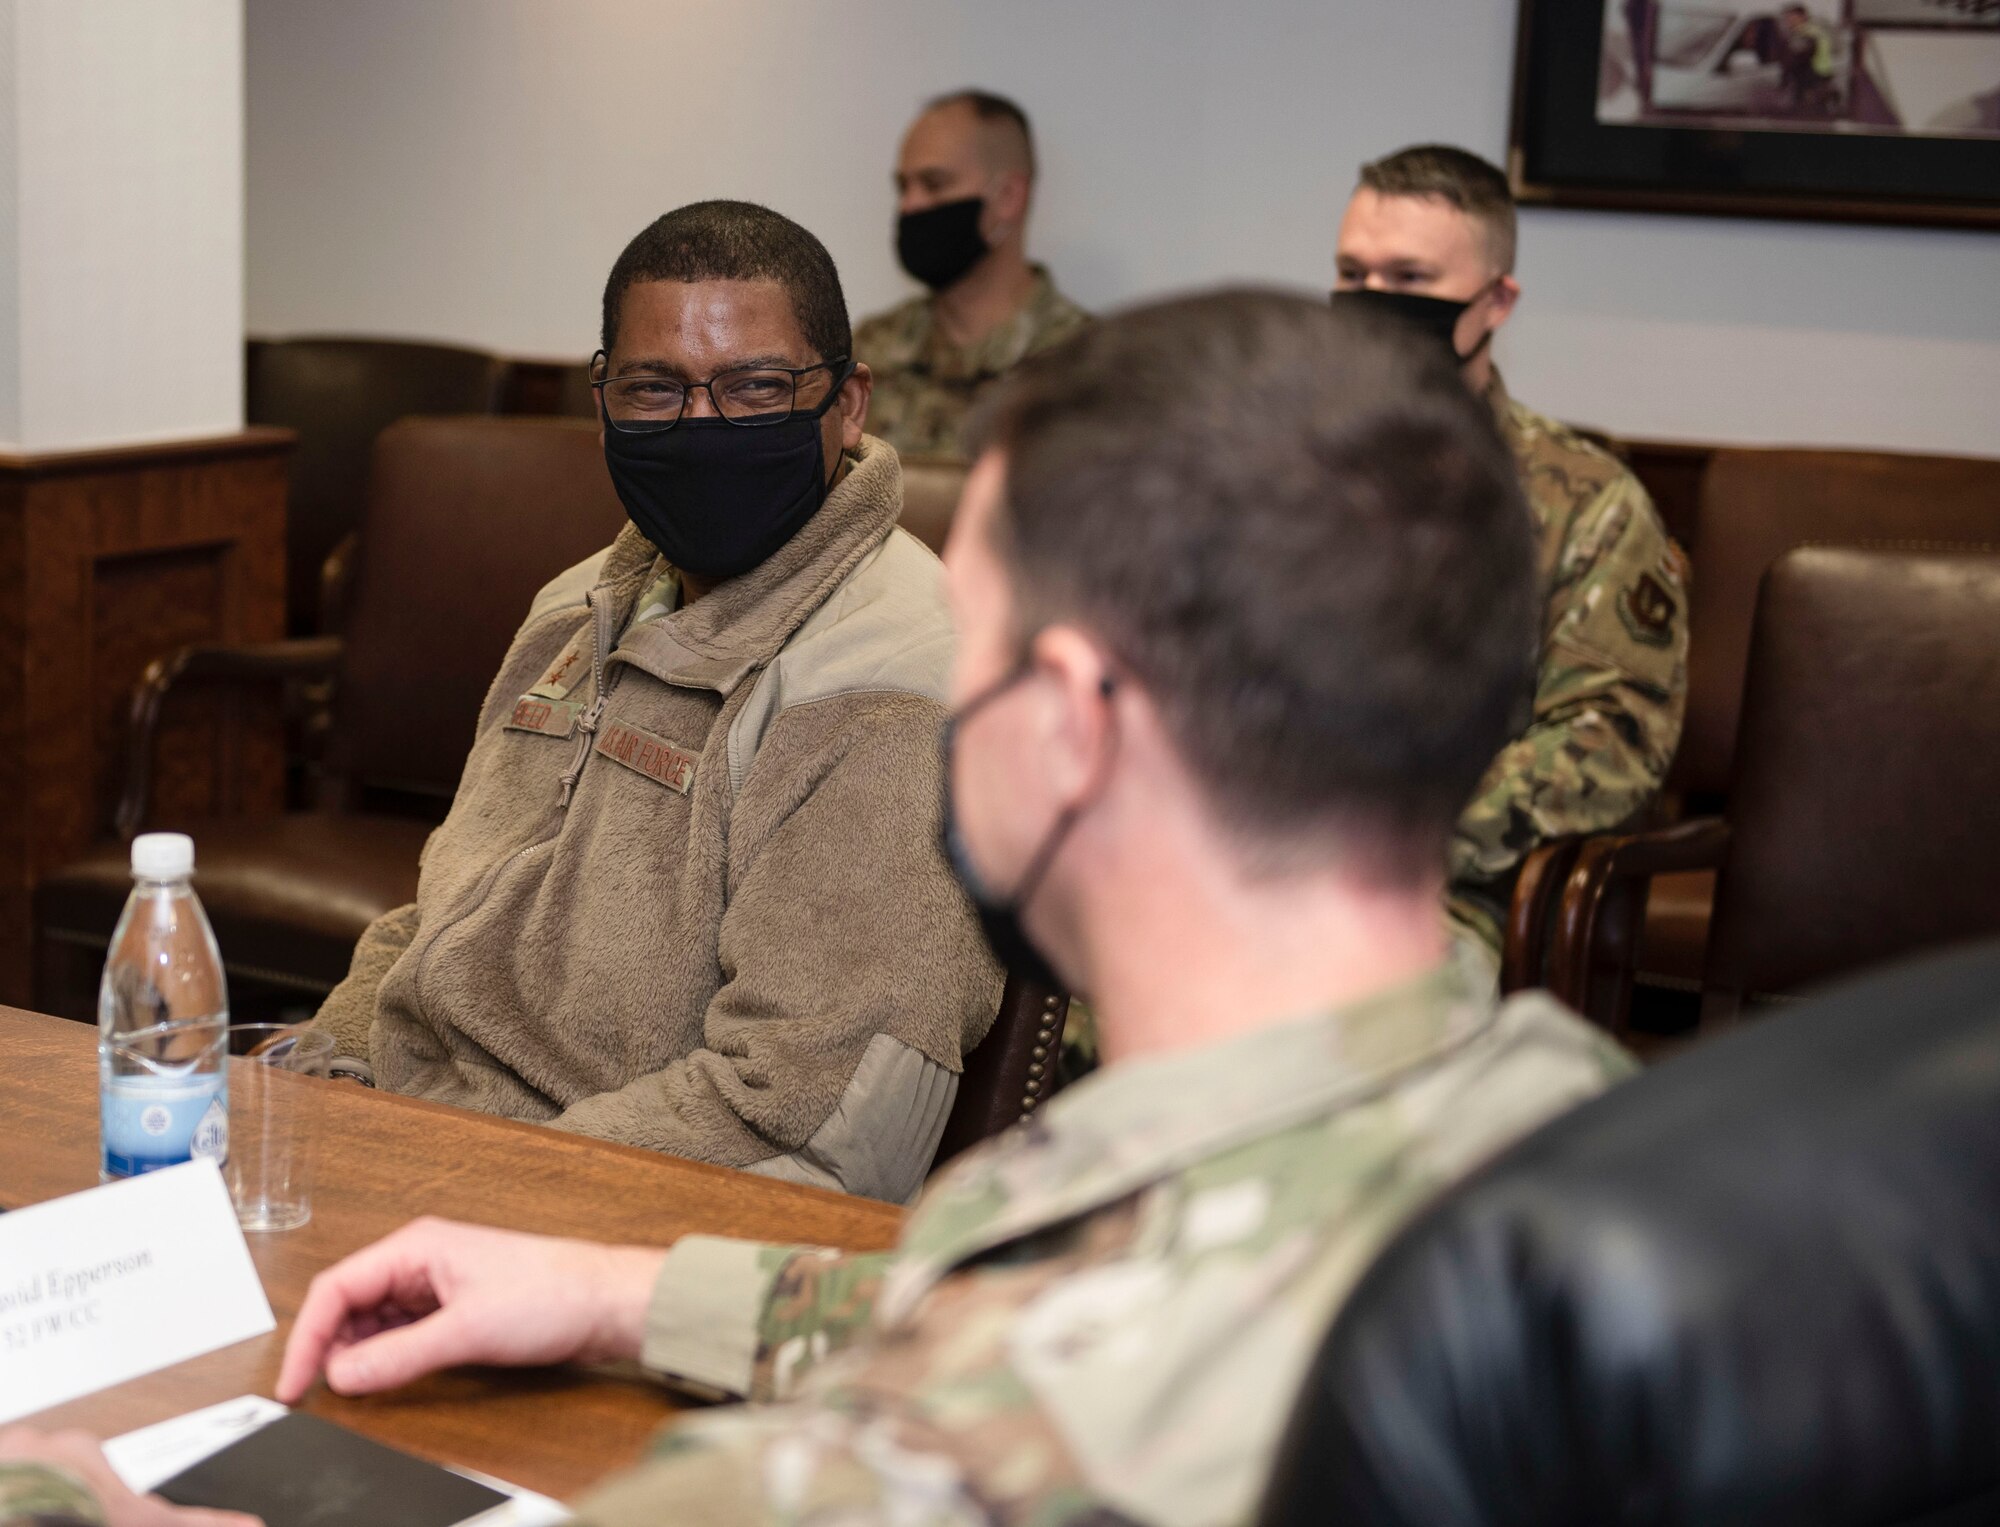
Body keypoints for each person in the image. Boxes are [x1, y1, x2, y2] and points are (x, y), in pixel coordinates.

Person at [180, 292, 1636, 1526]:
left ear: (1068, 723)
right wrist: (630, 1295)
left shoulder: (982, 1435)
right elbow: (1054, 1290)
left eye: (976, 660)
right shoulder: (1577, 1117)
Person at [311, 200, 999, 1204]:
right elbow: (440, 923)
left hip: (582, 1229)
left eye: (756, 386)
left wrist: (464, 1187)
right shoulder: (573, 606)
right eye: (654, 388)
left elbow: (811, 1129)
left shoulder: (890, 691)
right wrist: (309, 1084)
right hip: (408, 1161)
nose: (701, 425)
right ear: (601, 402)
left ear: (848, 403)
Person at [1332, 144, 1689, 961]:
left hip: (1434, 891)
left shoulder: (1584, 502)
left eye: (1410, 279)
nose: (1373, 300)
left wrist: (1405, 836)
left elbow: (1612, 739)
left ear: (1496, 301)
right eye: (1354, 276)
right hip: (1230, 866)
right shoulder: (1268, 465)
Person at [853, 89, 1088, 459]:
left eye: (934, 184)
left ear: (1008, 197)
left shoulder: (1089, 364)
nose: (910, 204)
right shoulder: (868, 353)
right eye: (904, 186)